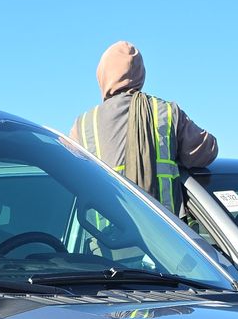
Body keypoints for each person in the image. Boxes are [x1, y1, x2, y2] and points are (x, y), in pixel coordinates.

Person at [70, 41, 217, 216]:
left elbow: (70, 177)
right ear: (141, 74)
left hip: (105, 237)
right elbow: (207, 150)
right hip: (167, 235)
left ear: (102, 75)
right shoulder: (166, 112)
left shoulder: (84, 124)